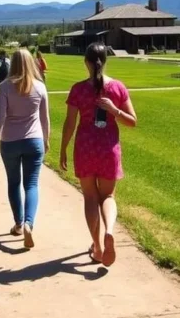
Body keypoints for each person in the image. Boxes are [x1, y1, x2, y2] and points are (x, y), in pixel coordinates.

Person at [59, 43, 137, 267]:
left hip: (85, 149)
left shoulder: (78, 89)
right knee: (108, 197)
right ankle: (110, 231)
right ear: (106, 60)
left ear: (86, 61)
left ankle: (98, 247)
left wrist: (63, 148)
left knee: (90, 198)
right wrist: (114, 110)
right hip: (108, 149)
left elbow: (69, 124)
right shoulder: (118, 88)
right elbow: (132, 121)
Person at [0, 49, 50, 248]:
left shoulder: (5, 87)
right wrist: (46, 139)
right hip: (34, 140)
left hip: (10, 141)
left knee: (14, 183)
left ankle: (19, 223)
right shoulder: (39, 87)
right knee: (31, 184)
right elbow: (44, 118)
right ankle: (30, 223)